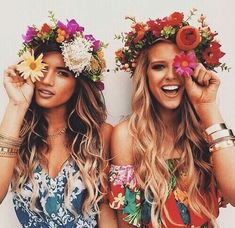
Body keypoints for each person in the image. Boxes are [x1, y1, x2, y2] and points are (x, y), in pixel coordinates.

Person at [109, 10, 235, 228]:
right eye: (159, 66)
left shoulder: (210, 132)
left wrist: (207, 106)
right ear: (145, 74)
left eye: (180, 64)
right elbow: (126, 222)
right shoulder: (127, 135)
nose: (171, 75)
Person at [0, 12, 117, 227]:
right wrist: (16, 106)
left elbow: (107, 213)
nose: (47, 80)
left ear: (78, 84)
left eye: (62, 73)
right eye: (42, 69)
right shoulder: (15, 134)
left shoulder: (102, 135)